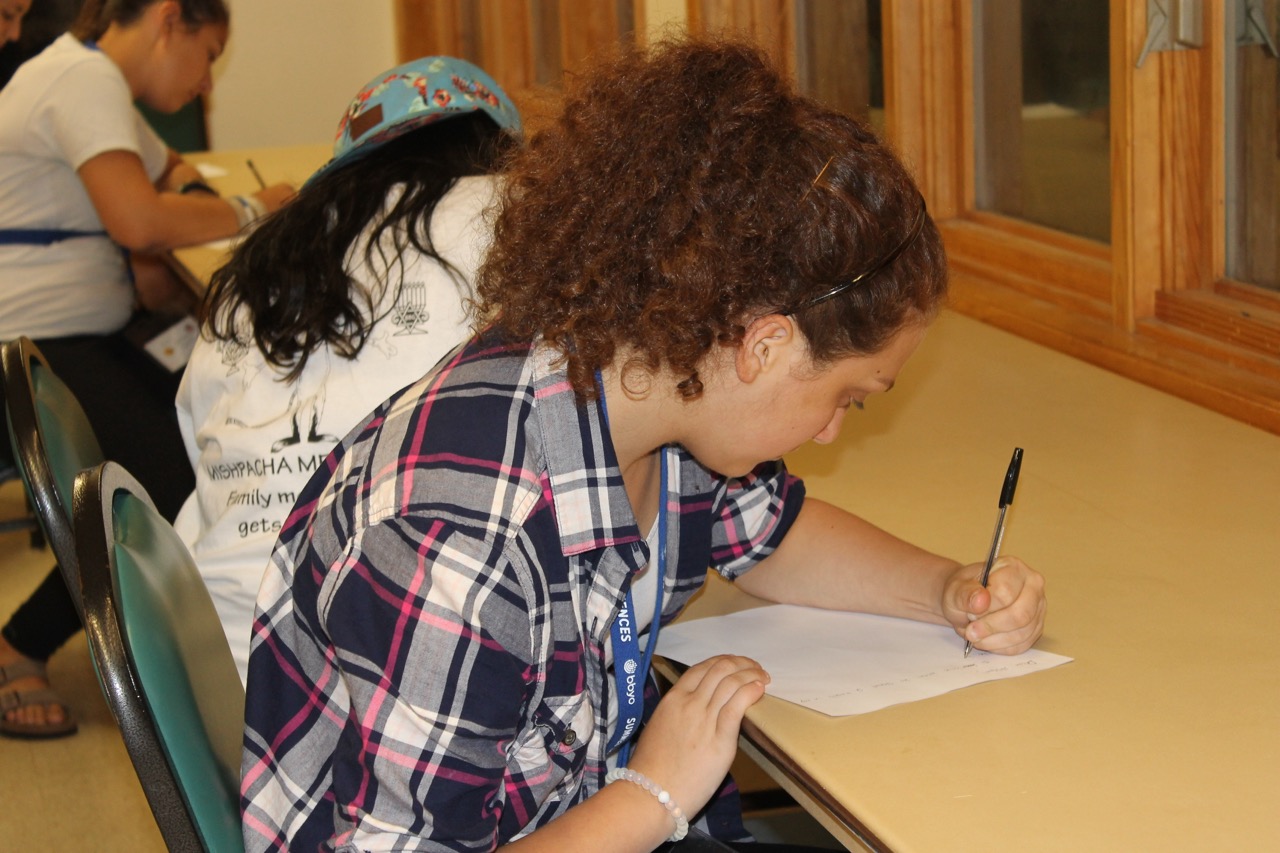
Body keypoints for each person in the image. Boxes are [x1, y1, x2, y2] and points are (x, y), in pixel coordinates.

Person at [240, 38, 1048, 852]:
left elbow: (772, 534)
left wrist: (945, 588)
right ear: (761, 347)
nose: (832, 429)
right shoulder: (460, 540)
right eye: (846, 397)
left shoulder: (645, 383)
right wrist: (654, 793)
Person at [174, 55, 521, 684]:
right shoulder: (510, 217)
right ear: (496, 149)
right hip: (398, 685)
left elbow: (202, 448)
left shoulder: (255, 265)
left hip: (214, 676)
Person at [0, 0, 293, 739]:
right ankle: (17, 643)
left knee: (207, 429)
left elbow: (176, 177)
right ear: (170, 20)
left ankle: (179, 621)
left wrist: (196, 205)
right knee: (172, 473)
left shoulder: (93, 80)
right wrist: (253, 207)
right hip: (27, 346)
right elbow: (138, 219)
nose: (203, 84)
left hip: (77, 333)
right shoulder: (81, 78)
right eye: (208, 53)